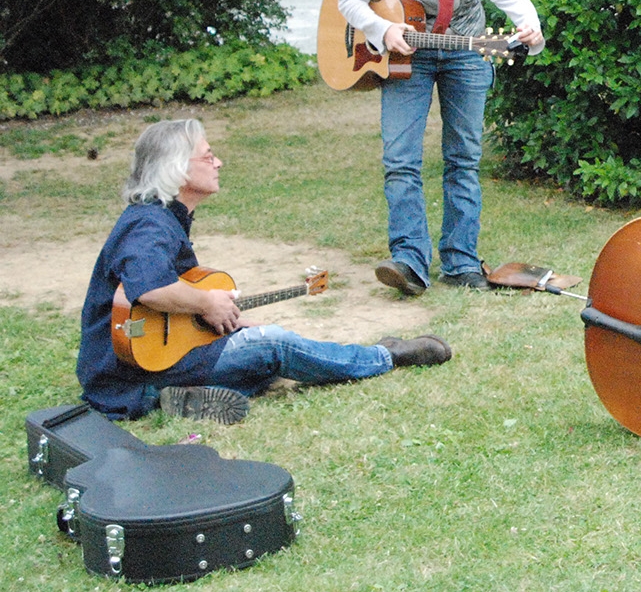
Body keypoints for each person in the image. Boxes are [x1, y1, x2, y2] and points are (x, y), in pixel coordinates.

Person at [78, 119, 451, 425]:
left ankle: (176, 398)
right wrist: (208, 301)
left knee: (257, 350)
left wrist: (215, 318)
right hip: (132, 371)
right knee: (273, 344)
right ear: (176, 169)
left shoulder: (161, 219)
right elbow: (150, 290)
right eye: (208, 157)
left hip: (148, 367)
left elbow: (172, 305)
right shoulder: (150, 225)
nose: (219, 162)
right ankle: (385, 356)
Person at [337, 0, 545, 295]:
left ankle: (461, 261)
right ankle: (410, 262)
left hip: (466, 51)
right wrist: (382, 29)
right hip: (401, 55)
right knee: (399, 159)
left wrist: (530, 29)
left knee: (463, 158)